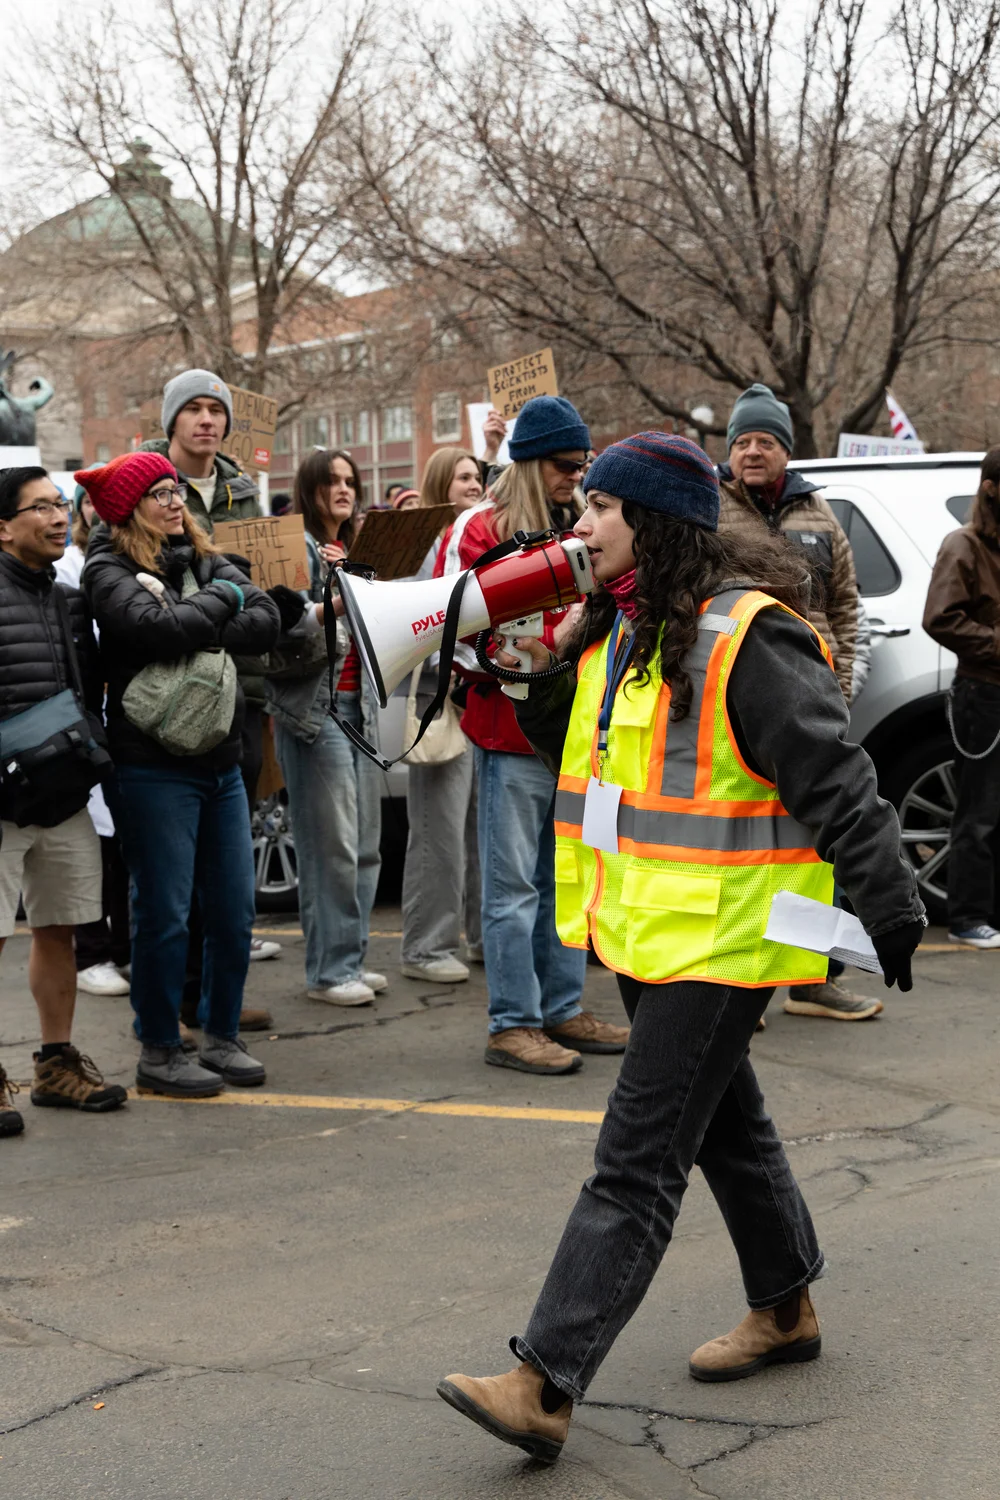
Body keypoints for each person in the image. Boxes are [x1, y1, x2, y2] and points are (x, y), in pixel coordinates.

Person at [437, 432, 926, 1463]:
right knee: (725, 1128)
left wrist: (890, 905)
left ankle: (544, 1380)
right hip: (653, 931)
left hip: (724, 939)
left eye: (599, 510)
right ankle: (785, 1307)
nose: (579, 525)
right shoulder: (633, 627)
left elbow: (834, 776)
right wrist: (530, 661)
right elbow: (581, 749)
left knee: (635, 1162)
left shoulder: (745, 634)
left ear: (652, 522)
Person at [435, 395, 629, 1073]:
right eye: (562, 465)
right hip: (510, 729)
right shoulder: (479, 528)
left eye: (581, 465)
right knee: (514, 886)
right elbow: (446, 623)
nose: (574, 477)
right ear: (527, 462)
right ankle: (513, 1022)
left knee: (567, 881)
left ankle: (562, 1008)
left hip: (571, 732)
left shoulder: (581, 528)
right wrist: (518, 661)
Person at [79, 451, 281, 1097]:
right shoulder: (106, 565)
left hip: (220, 762)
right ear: (129, 509)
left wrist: (212, 600)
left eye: (175, 490)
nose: (174, 502)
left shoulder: (202, 557)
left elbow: (267, 620)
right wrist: (224, 598)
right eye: (158, 494)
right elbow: (154, 631)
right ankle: (160, 1049)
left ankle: (221, 1037)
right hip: (151, 768)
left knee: (232, 913)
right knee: (164, 912)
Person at [718, 383, 873, 1023]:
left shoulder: (819, 513)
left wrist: (844, 682)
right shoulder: (710, 508)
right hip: (738, 700)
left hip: (815, 699)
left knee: (817, 847)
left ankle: (814, 980)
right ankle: (741, 987)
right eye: (744, 441)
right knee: (743, 848)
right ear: (730, 450)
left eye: (767, 441)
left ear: (786, 450)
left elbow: (846, 606)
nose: (754, 452)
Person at [141, 369, 283, 975]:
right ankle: (178, 994)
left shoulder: (244, 491)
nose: (207, 420)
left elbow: (266, 592)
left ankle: (217, 992)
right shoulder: (141, 482)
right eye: (193, 408)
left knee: (228, 861)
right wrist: (225, 607)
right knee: (173, 869)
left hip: (241, 688)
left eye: (216, 410)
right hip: (169, 689)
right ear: (171, 420)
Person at [0, 466, 128, 1133]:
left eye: (60, 505)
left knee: (60, 927)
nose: (57, 517)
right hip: (2, 799)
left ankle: (55, 1066)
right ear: (2, 526)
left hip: (61, 793)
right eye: (39, 507)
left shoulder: (68, 597)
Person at [267, 448, 386, 1006]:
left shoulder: (356, 548)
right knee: (330, 848)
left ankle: (351, 959)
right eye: (330, 481)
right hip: (315, 712)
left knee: (365, 846)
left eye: (349, 481)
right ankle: (330, 971)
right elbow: (278, 628)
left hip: (358, 709)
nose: (343, 489)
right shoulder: (293, 546)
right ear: (309, 488)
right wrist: (333, 598)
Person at [399, 447, 485, 984]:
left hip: (474, 697)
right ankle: (426, 946)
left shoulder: (475, 537)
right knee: (439, 832)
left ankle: (477, 936)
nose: (475, 485)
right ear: (439, 485)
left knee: (479, 831)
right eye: (463, 478)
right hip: (438, 694)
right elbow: (412, 618)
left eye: (479, 475)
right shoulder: (424, 547)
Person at [54, 475, 131, 1000]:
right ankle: (92, 951)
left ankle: (121, 948)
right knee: (92, 849)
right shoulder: (67, 570)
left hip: (118, 719)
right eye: (87, 506)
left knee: (122, 847)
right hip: (79, 720)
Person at [924, 446, 1000, 948]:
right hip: (984, 696)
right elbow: (940, 618)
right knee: (980, 812)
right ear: (991, 487)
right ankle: (968, 917)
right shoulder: (965, 545)